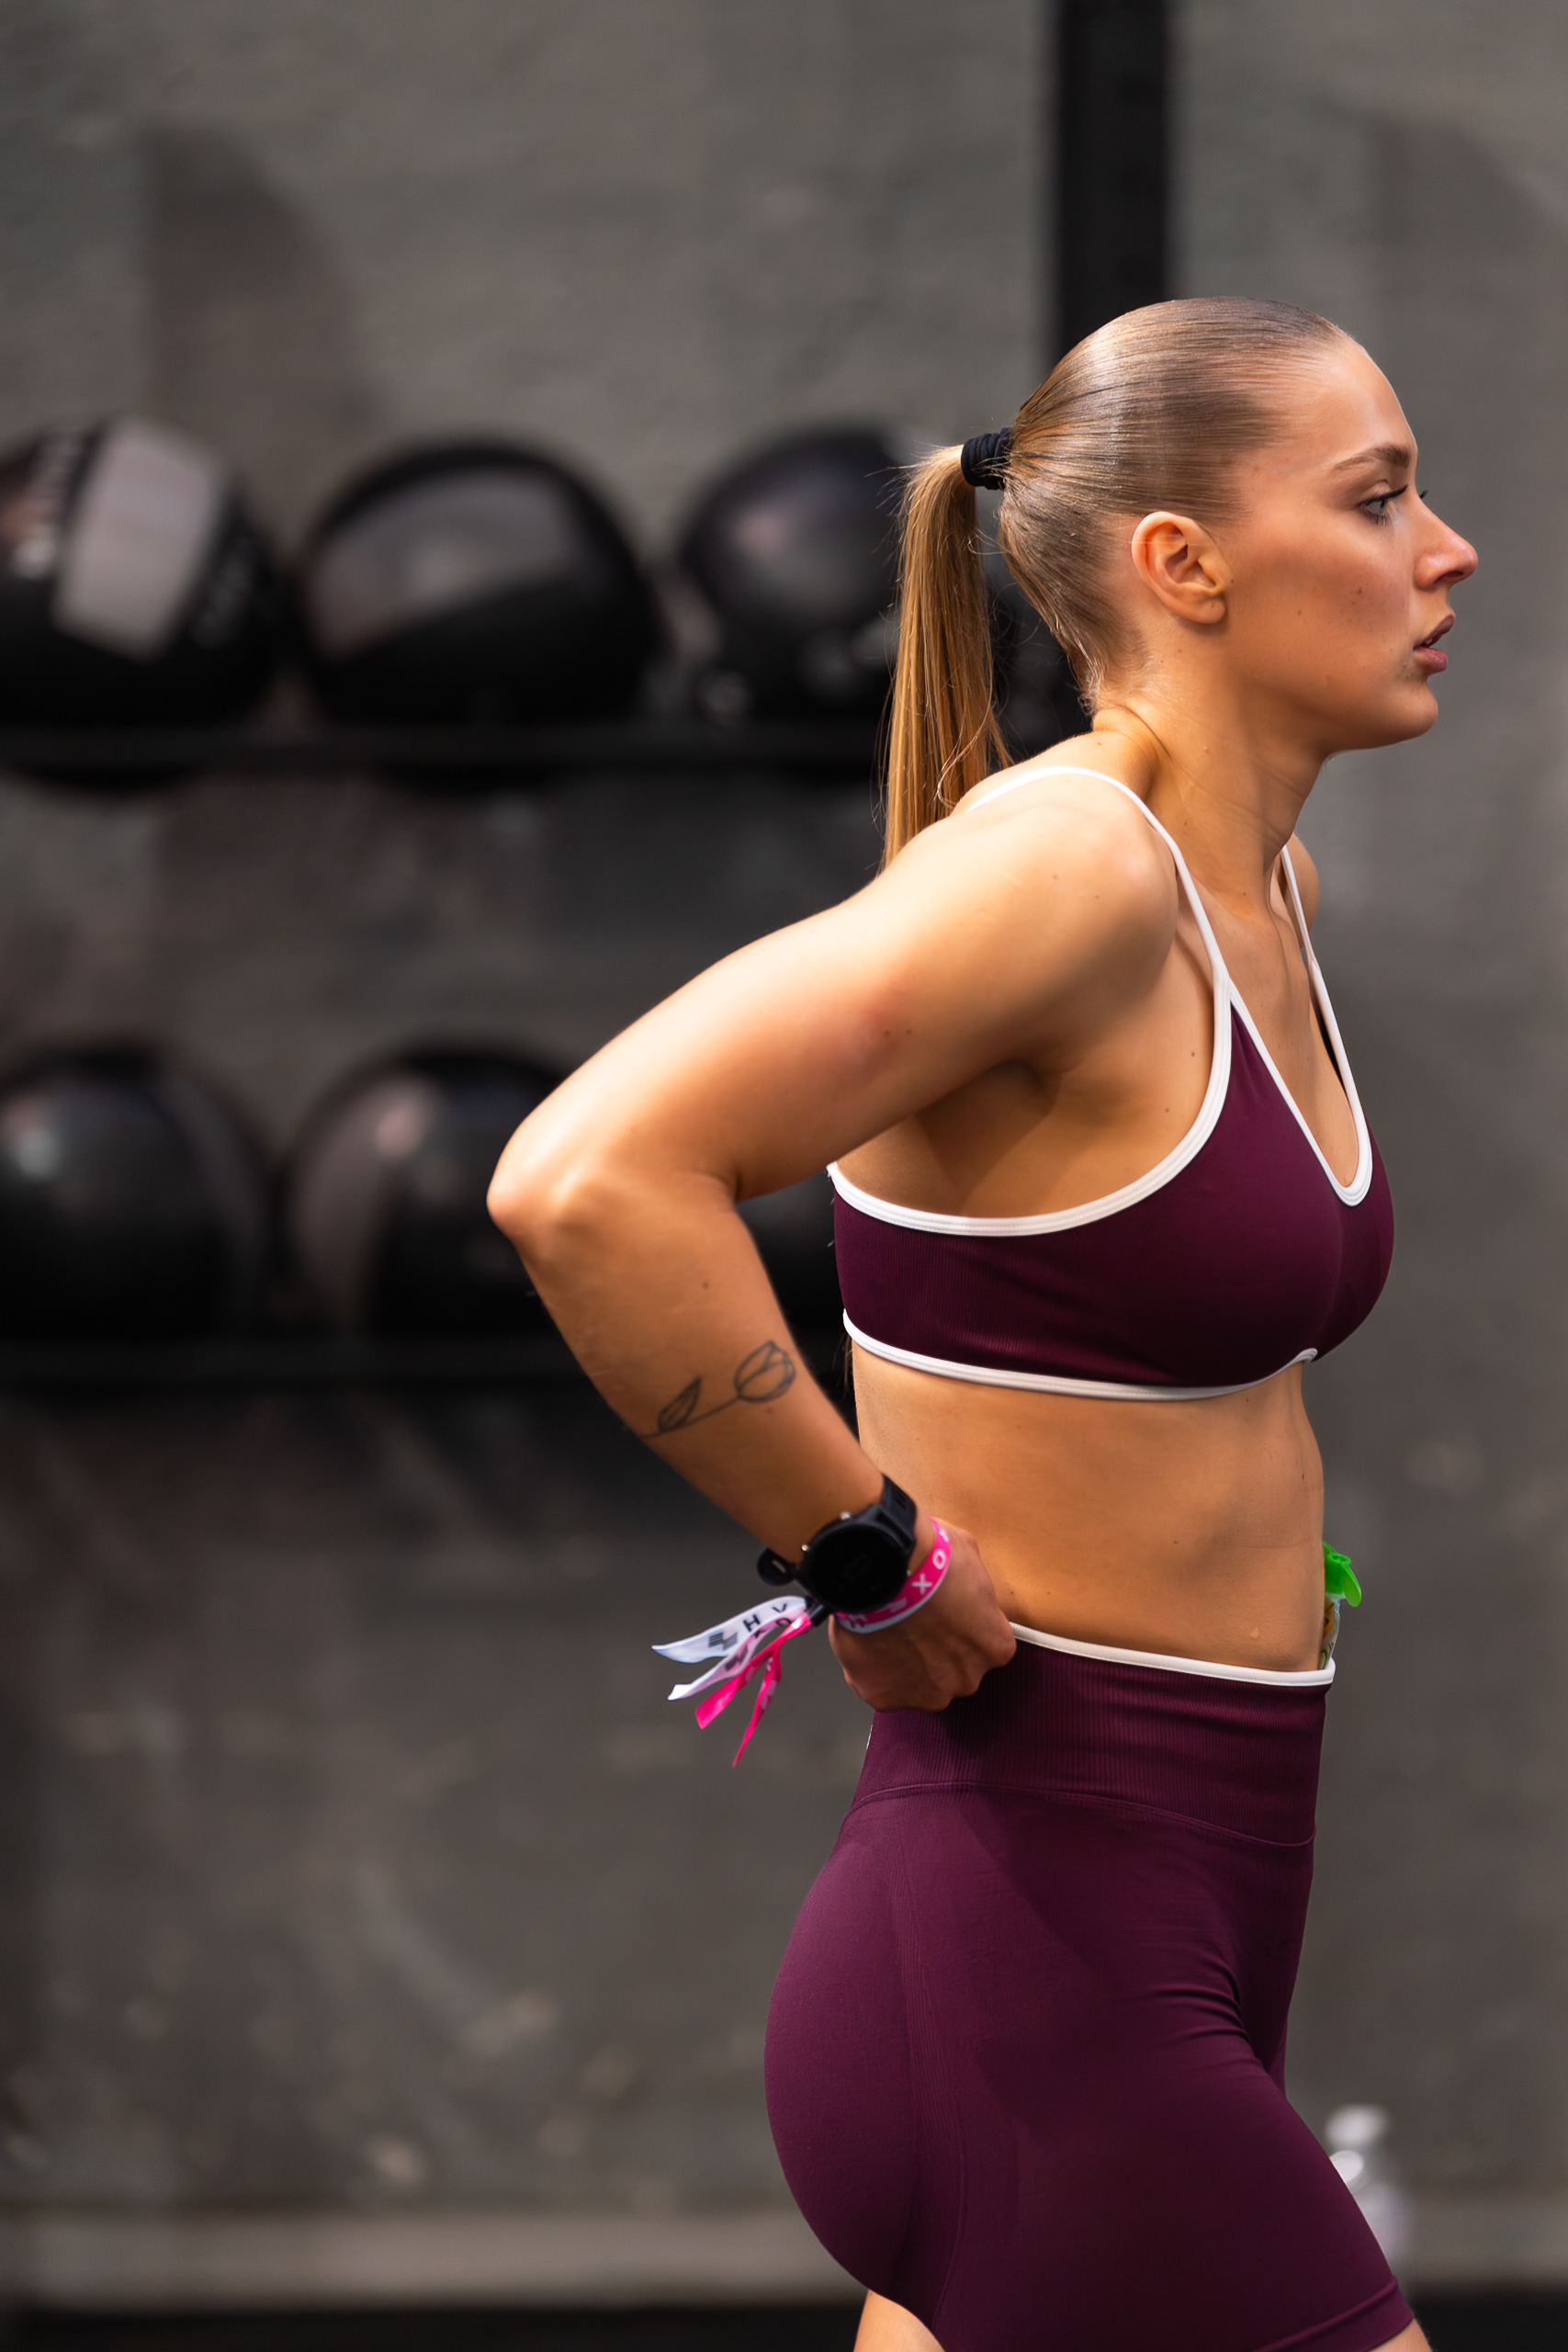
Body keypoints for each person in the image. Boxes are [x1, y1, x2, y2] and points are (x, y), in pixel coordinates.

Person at [487, 297, 1475, 2352]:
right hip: (1035, 1941)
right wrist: (863, 1551)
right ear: (1183, 565)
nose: (1445, 549)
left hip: (1185, 1900)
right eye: (1377, 498)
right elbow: (587, 1177)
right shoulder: (1063, 872)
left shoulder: (1253, 893)